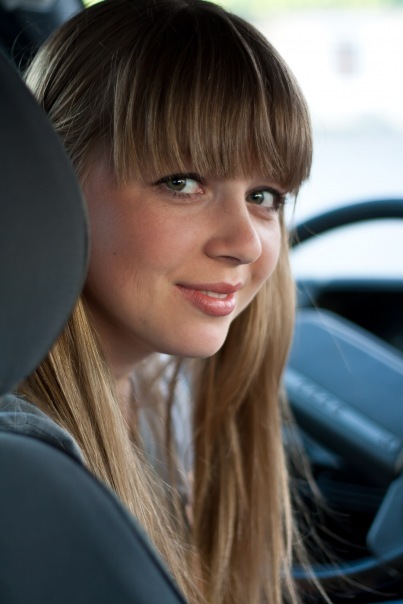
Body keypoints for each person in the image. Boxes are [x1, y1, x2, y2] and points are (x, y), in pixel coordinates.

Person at [13, 0, 322, 602]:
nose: (245, 243)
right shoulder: (27, 464)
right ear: (54, 183)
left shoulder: (168, 394)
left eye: (264, 195)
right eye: (182, 183)